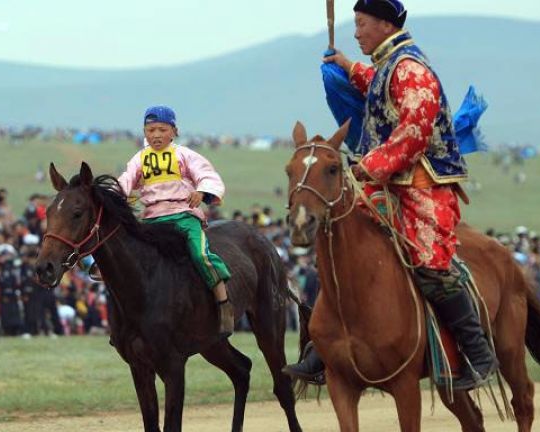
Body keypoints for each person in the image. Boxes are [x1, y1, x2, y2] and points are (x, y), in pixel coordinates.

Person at [284, 0, 497, 391]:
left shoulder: (411, 69)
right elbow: (380, 91)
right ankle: (325, 342)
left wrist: (367, 166)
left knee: (430, 261)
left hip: (424, 185)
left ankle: (478, 352)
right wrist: (347, 68)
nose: (356, 32)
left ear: (384, 24)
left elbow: (413, 133)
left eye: (361, 24)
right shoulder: (390, 65)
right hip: (390, 182)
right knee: (344, 241)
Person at [117, 105, 234, 336]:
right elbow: (125, 181)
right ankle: (126, 318)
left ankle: (224, 304)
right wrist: (111, 195)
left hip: (184, 215)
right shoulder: (139, 158)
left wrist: (201, 192)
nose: (156, 135)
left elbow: (206, 175)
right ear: (144, 132)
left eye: (162, 129)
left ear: (174, 131)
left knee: (200, 255)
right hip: (152, 219)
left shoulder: (184, 154)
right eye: (151, 130)